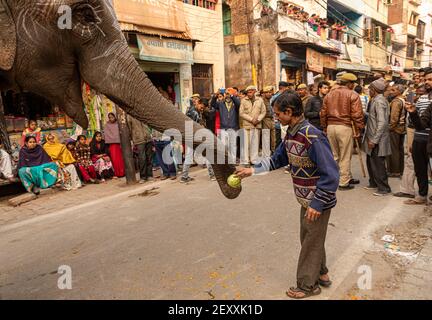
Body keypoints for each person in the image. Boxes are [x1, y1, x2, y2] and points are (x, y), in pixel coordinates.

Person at [236, 92, 339, 299]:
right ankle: (322, 273)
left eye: (277, 114)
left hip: (317, 200)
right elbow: (277, 159)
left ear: (289, 112)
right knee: (312, 237)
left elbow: (331, 174)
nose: (275, 118)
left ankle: (307, 285)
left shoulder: (312, 136)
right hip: (306, 199)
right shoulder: (292, 133)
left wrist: (317, 204)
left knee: (310, 240)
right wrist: (252, 170)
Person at [321, 72, 364, 190]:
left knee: (334, 155)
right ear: (350, 84)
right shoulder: (353, 94)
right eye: (353, 83)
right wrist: (359, 128)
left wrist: (324, 127)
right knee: (345, 155)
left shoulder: (329, 94)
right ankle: (344, 182)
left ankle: (339, 178)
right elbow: (357, 115)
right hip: (344, 127)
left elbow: (323, 113)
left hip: (331, 126)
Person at [403, 68, 432, 205]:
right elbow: (421, 124)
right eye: (425, 79)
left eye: (429, 79)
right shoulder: (422, 99)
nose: (426, 82)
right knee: (420, 170)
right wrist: (413, 113)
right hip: (420, 139)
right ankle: (422, 195)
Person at [363, 78, 392, 196]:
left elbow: (382, 122)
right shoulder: (375, 100)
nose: (368, 91)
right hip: (372, 136)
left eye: (370, 89)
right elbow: (374, 117)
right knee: (371, 161)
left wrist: (374, 140)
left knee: (378, 164)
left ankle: (384, 188)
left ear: (374, 90)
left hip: (377, 138)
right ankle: (373, 183)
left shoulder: (379, 101)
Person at [181, 98, 215, 183]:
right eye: (202, 106)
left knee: (189, 156)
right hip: (194, 136)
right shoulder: (194, 112)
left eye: (203, 107)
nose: (202, 108)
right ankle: (212, 175)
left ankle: (184, 177)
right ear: (198, 103)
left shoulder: (194, 110)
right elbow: (195, 126)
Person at [211, 88, 241, 163]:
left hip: (233, 128)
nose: (227, 96)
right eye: (226, 94)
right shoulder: (220, 103)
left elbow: (239, 104)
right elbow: (212, 104)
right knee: (224, 146)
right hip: (223, 128)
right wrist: (216, 95)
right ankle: (226, 162)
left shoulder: (235, 103)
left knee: (233, 146)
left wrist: (231, 95)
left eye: (228, 94)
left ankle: (233, 162)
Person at [239, 86, 266, 166]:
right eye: (248, 92)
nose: (249, 93)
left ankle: (253, 160)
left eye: (251, 92)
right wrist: (251, 119)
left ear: (254, 91)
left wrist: (258, 119)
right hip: (247, 125)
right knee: (246, 144)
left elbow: (263, 112)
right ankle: (246, 161)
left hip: (256, 125)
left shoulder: (260, 100)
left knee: (255, 144)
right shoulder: (243, 101)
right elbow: (241, 113)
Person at [386, 84, 406, 177]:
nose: (391, 92)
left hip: (395, 129)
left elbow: (394, 118)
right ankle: (400, 169)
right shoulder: (403, 100)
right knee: (399, 149)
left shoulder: (396, 101)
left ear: (399, 91)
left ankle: (394, 171)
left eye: (393, 90)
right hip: (401, 128)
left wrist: (390, 128)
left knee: (394, 150)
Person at [127, 115, 154, 183]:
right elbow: (129, 128)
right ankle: (143, 177)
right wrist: (132, 139)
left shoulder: (141, 112)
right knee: (142, 158)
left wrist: (150, 134)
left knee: (149, 158)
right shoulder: (129, 116)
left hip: (148, 138)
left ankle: (150, 175)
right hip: (139, 139)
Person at [104, 113, 125, 178]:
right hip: (112, 145)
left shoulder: (118, 124)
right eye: (109, 117)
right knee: (115, 160)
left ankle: (123, 172)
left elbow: (121, 133)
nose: (111, 118)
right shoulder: (107, 125)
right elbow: (106, 135)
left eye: (112, 117)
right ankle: (117, 173)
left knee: (121, 159)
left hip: (120, 144)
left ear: (114, 117)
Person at [261, 86, 276, 155]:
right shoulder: (261, 101)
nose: (269, 94)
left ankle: (273, 152)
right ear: (264, 93)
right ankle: (266, 154)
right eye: (267, 92)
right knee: (266, 138)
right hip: (265, 119)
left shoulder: (272, 100)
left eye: (270, 92)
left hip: (272, 119)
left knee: (273, 138)